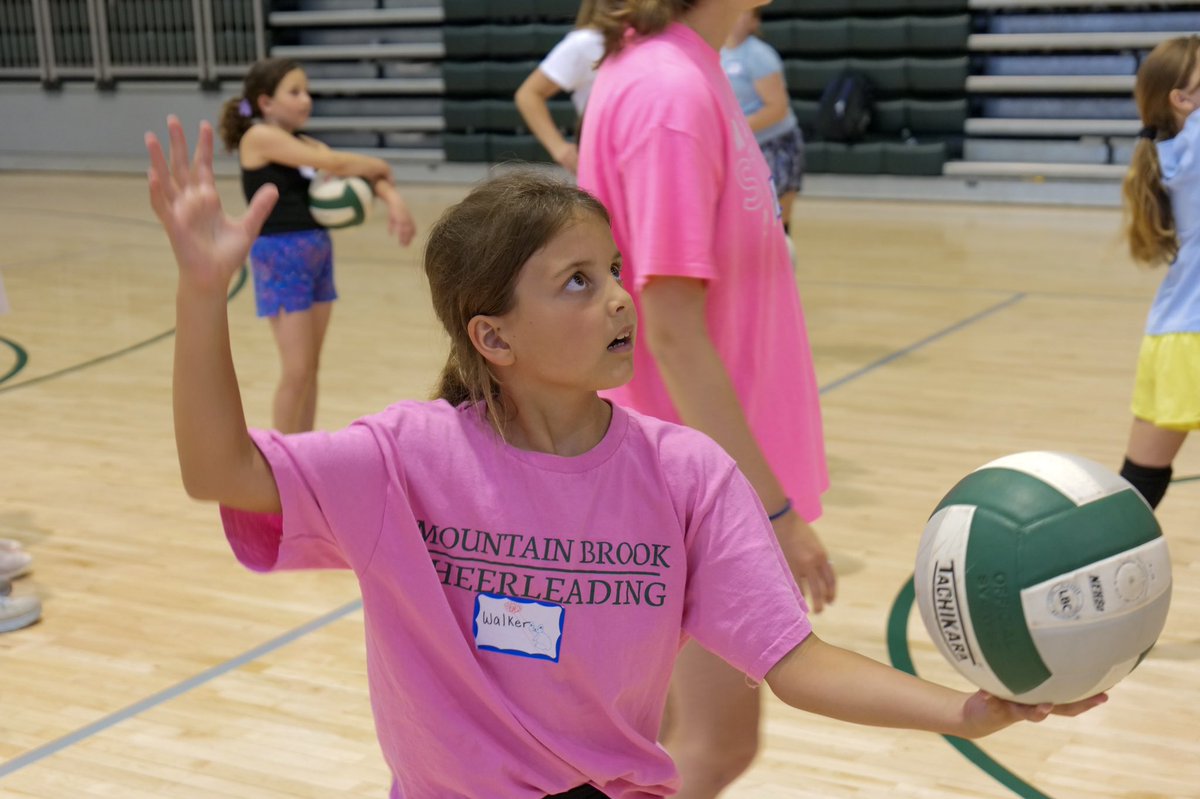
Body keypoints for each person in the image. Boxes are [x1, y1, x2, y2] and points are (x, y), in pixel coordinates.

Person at [146, 116, 1104, 799]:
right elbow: (216, 471)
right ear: (493, 336)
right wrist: (200, 292)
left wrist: (963, 710)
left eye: (613, 270)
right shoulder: (404, 461)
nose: (618, 298)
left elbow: (794, 660)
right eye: (576, 281)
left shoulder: (688, 475)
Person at [577, 2, 832, 794]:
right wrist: (771, 513)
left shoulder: (686, 69)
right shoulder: (669, 93)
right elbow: (673, 331)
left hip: (694, 473)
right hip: (695, 487)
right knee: (714, 744)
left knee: (653, 738)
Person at [217, 57, 416, 434]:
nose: (306, 99)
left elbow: (351, 168)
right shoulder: (259, 137)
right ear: (266, 102)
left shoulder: (303, 142)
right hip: (280, 254)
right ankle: (279, 456)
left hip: (317, 251)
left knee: (310, 368)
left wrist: (394, 201)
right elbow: (336, 162)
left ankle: (304, 449)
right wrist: (377, 164)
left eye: (306, 91)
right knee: (296, 370)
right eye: (294, 92)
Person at [1119, 35, 1200, 510]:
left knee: (1139, 485)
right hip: (1191, 333)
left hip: (1171, 334)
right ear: (1183, 99)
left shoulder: (1172, 151)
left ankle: (1093, 550)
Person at [721, 8, 805, 238]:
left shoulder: (759, 56)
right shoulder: (717, 52)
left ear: (754, 22)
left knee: (775, 220)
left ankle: (782, 256)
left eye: (744, 12)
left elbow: (777, 108)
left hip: (775, 145)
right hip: (740, 148)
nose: (735, 15)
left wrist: (735, 130)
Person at [514, 0, 605, 174]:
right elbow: (528, 94)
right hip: (600, 160)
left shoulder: (649, 42)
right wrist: (559, 148)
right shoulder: (587, 42)